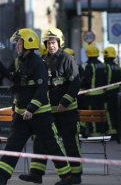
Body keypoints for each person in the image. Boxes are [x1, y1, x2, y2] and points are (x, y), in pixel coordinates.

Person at [0, 28, 73, 185]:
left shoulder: (39, 63)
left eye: (19, 43)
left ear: (28, 43)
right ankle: (2, 177)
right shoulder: (20, 62)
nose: (17, 46)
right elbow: (14, 81)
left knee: (52, 145)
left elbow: (41, 90)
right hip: (22, 115)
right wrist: (16, 107)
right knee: (12, 146)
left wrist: (31, 109)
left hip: (40, 115)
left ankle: (67, 177)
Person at [19, 27, 82, 184]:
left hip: (67, 111)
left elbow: (75, 84)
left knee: (70, 142)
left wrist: (65, 102)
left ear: (59, 43)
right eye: (48, 43)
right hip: (48, 111)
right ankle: (36, 173)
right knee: (41, 141)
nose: (51, 45)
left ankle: (75, 176)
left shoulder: (68, 59)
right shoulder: (43, 60)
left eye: (53, 42)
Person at [81, 44, 107, 136]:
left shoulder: (90, 66)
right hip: (102, 94)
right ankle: (101, 132)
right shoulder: (102, 64)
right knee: (100, 114)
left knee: (92, 114)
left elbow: (86, 80)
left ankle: (95, 133)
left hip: (91, 95)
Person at [102, 46, 121, 142]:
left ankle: (112, 134)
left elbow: (104, 80)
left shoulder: (106, 66)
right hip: (117, 93)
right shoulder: (117, 66)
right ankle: (118, 133)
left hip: (108, 93)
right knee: (117, 114)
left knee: (109, 114)